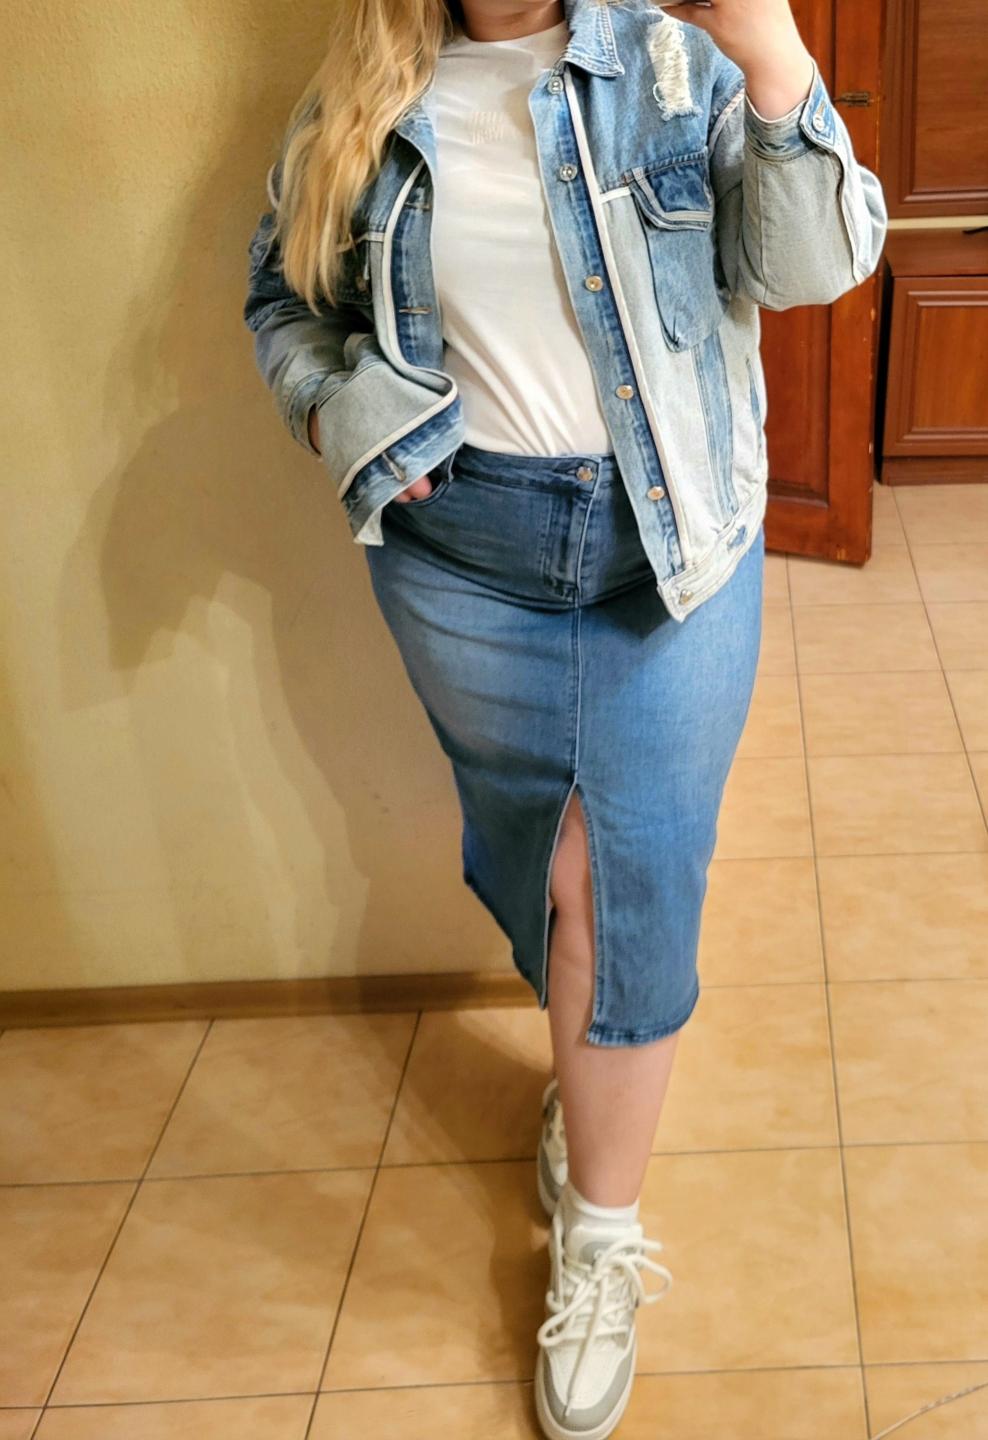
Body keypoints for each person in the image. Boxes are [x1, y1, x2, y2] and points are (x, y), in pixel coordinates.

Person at [243, 2, 887, 1435]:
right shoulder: (363, 98)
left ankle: (600, 1234)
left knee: (621, 881)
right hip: (460, 567)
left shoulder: (675, 59)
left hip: (674, 559)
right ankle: (588, 1087)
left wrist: (772, 51)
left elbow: (813, 267)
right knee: (542, 864)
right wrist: (340, 420)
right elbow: (283, 306)